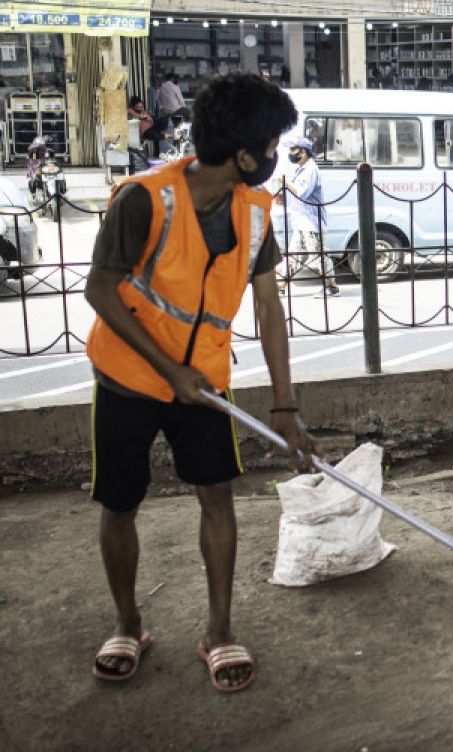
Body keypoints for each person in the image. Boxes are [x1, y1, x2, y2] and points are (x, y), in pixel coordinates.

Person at [84, 73, 319, 693]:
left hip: (207, 388)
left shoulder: (255, 215)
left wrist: (285, 407)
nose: (276, 156)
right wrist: (168, 372)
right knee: (120, 503)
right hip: (128, 382)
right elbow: (100, 289)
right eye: (271, 145)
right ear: (244, 155)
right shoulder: (144, 199)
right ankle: (128, 623)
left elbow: (268, 309)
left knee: (217, 496)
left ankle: (219, 631)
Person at [277, 137, 338, 297]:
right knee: (294, 255)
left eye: (293, 150)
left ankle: (331, 287)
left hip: (312, 222)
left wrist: (286, 182)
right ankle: (280, 285)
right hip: (301, 221)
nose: (291, 153)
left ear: (303, 152)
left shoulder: (310, 169)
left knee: (318, 255)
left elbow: (302, 192)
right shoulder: (301, 169)